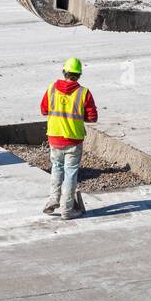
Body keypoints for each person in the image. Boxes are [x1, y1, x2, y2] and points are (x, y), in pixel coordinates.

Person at [41, 57, 98, 218]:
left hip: (54, 137)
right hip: (73, 139)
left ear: (64, 72)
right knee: (70, 173)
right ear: (79, 75)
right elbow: (92, 117)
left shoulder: (52, 89)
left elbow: (44, 110)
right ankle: (67, 209)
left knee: (57, 168)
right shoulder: (83, 93)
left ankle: (53, 199)